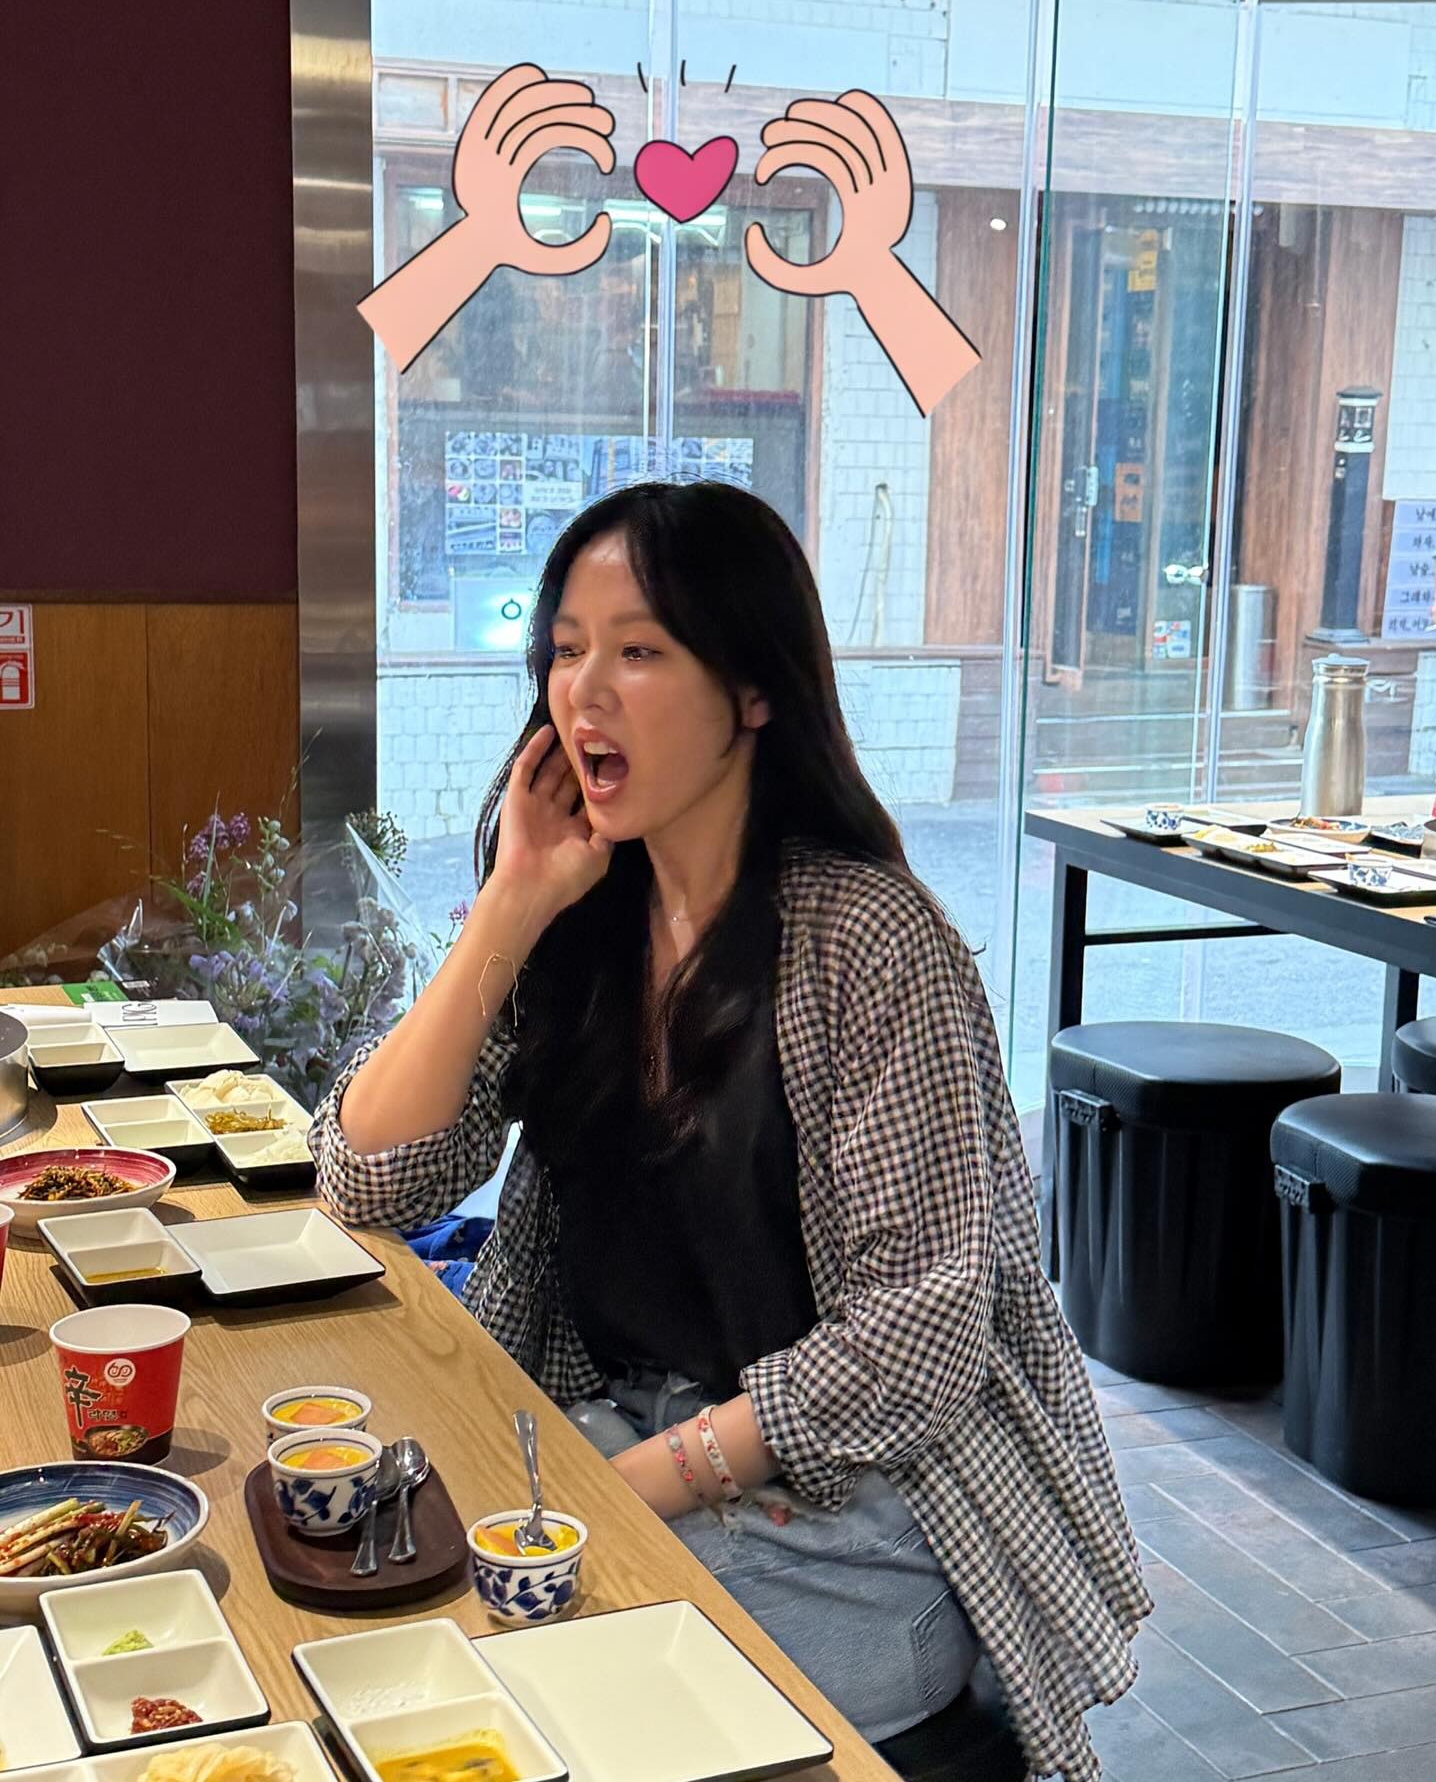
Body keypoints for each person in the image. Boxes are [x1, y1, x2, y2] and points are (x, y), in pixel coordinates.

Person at [311, 481, 1151, 1781]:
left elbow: (921, 1337)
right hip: (621, 1435)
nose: (585, 692)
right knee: (372, 1622)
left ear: (753, 691)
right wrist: (509, 908)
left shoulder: (871, 944)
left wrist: (630, 1489)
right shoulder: (582, 920)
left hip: (856, 1518)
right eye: (566, 650)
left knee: (493, 1688)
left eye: (639, 650)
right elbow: (368, 1177)